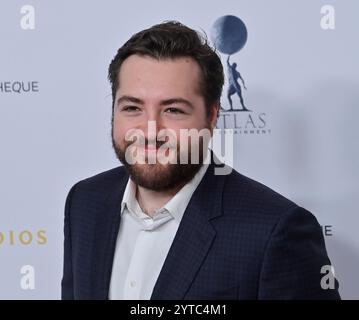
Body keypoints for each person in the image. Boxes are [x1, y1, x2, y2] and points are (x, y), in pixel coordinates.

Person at [61, 21, 340, 300]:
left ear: (211, 116)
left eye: (173, 110)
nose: (150, 131)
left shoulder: (276, 231)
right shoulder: (84, 202)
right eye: (132, 107)